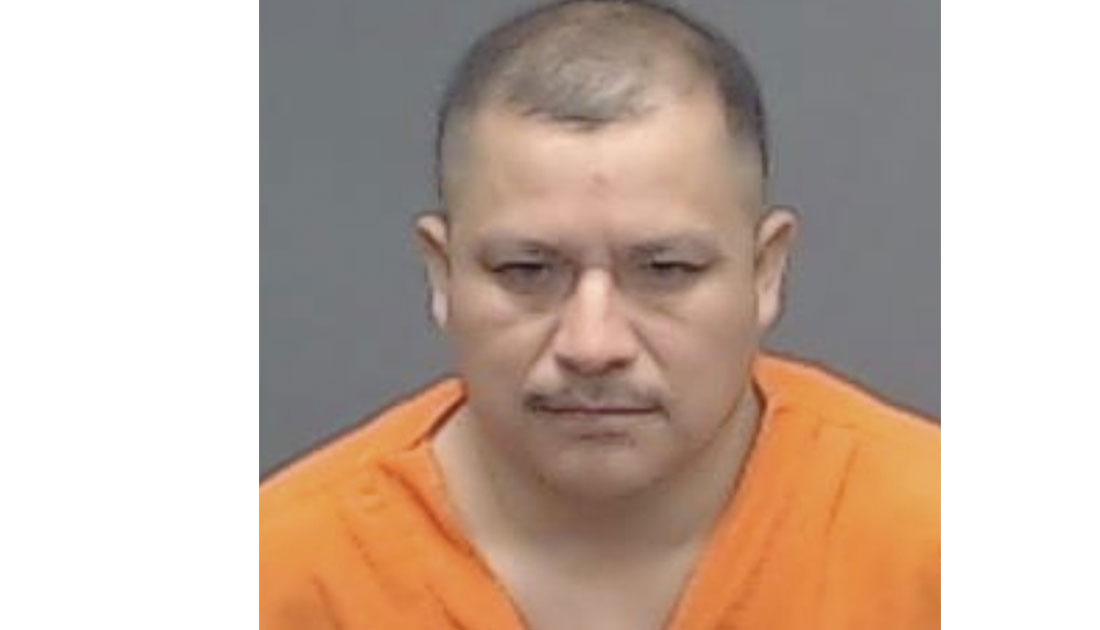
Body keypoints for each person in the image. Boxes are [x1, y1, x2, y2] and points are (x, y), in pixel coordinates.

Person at [259, 0, 939, 628]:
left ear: (766, 272)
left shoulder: (936, 542)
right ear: (442, 274)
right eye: (527, 271)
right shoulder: (278, 576)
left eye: (666, 270)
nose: (592, 344)